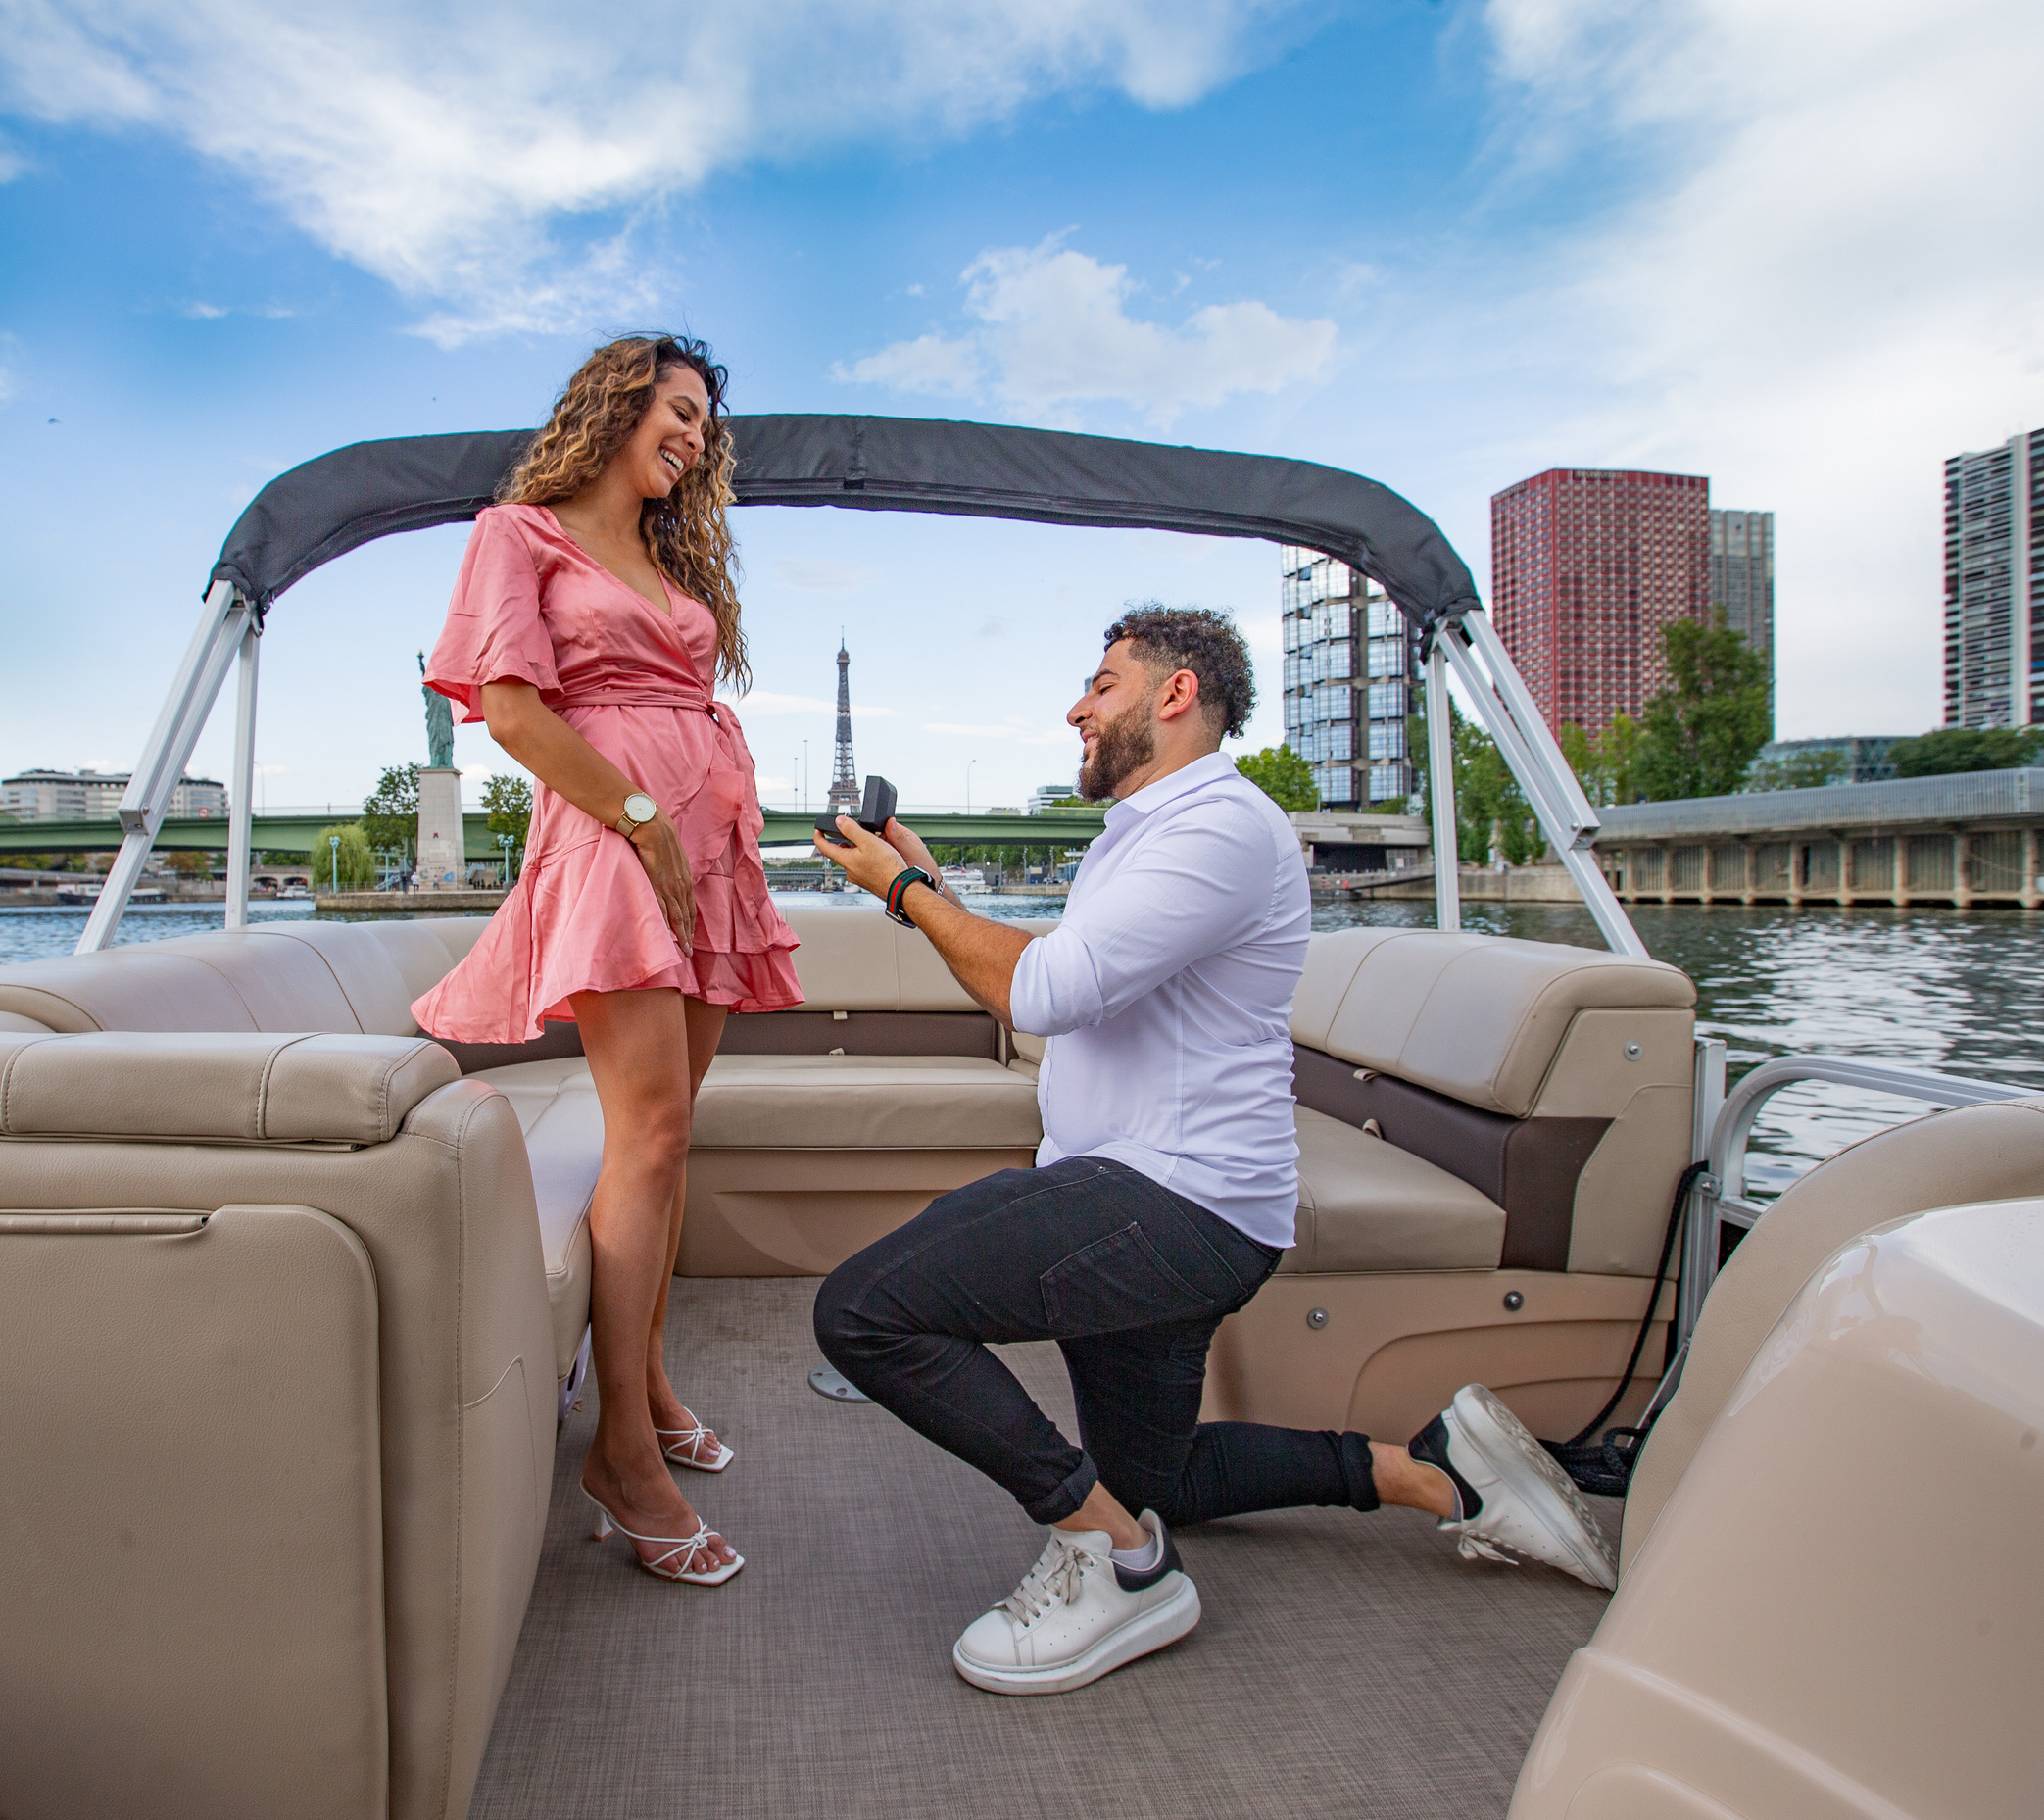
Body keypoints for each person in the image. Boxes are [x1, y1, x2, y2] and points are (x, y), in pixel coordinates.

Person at [812, 605, 1614, 1696]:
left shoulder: (1218, 830)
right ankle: (1438, 1473)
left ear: (1174, 694)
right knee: (1161, 1477)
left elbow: (1043, 995)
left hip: (1173, 1205)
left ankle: (1124, 1568)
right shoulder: (1148, 834)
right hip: (1159, 1198)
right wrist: (935, 895)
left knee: (866, 1308)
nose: (1076, 708)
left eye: (1100, 684)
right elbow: (1062, 974)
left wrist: (901, 894)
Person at [414, 334, 801, 1588]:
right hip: (617, 843)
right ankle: (620, 1452)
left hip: (707, 848)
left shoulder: (665, 554)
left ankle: (648, 1380)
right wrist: (637, 819)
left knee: (669, 1134)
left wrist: (697, 818)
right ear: (616, 406)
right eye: (675, 412)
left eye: (704, 427)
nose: (690, 438)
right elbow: (515, 710)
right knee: (647, 1137)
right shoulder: (519, 534)